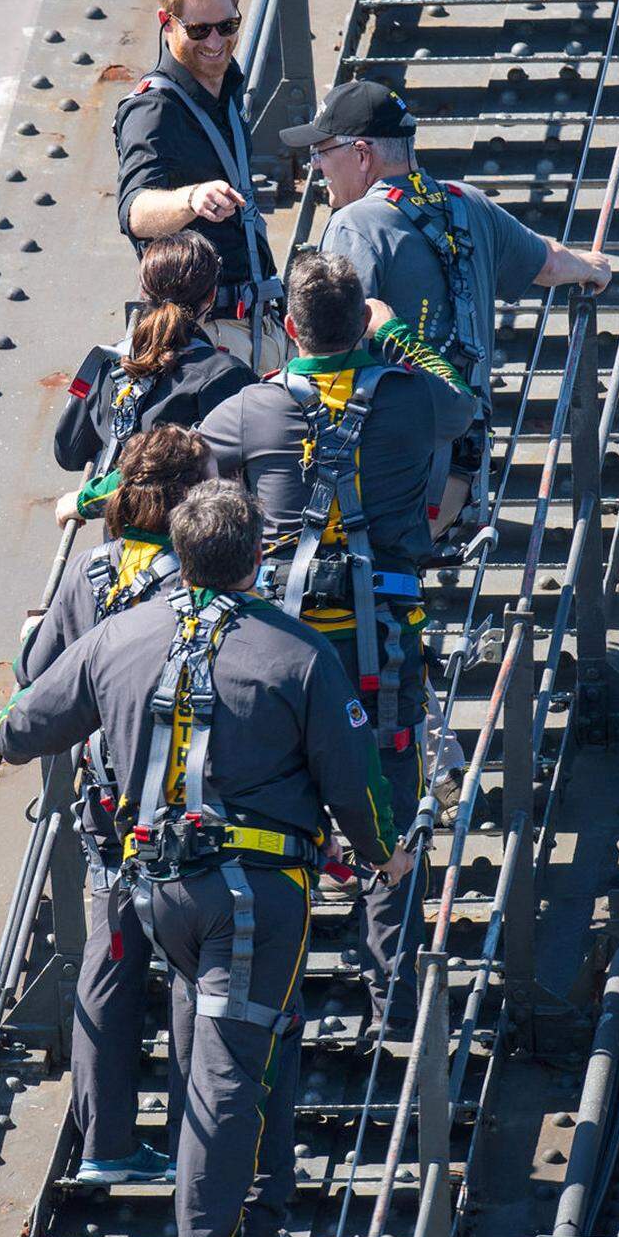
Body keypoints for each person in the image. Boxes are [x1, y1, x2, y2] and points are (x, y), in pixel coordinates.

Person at [0, 481, 412, 1237]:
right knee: (225, 1074)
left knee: (210, 1050)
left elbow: (22, 723)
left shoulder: (119, 635)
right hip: (251, 900)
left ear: (180, 552)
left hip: (151, 892)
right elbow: (355, 783)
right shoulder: (296, 654)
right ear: (258, 557)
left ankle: (231, 1225)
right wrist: (382, 857)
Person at [198, 251, 475, 1038]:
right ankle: (393, 1010)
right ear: (362, 321)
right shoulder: (415, 399)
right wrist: (395, 338)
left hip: (279, 654)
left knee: (277, 811)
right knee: (391, 809)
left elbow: (186, 462)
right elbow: (462, 397)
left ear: (289, 329)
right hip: (378, 651)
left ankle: (264, 1002)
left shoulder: (252, 410)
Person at [5, 428, 214, 1188]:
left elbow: (38, 675)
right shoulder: (192, 581)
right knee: (200, 970)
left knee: (113, 959)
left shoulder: (88, 572)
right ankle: (200, 1147)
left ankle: (108, 1141)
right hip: (184, 803)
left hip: (106, 802)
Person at [280, 80, 613, 531]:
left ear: (361, 154)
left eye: (322, 152)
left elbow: (333, 343)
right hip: (459, 466)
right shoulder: (466, 202)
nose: (316, 167)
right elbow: (550, 263)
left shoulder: (353, 225)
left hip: (382, 462)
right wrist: (591, 268)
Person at [115, 0, 287, 373]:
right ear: (167, 24)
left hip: (256, 325)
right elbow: (133, 211)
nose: (215, 42)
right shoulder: (153, 109)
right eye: (198, 30)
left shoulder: (226, 92)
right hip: (205, 337)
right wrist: (190, 199)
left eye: (227, 26)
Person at [51, 232, 252, 524]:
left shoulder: (108, 363)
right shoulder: (227, 376)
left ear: (144, 292)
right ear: (210, 298)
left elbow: (69, 451)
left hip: (124, 549)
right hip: (197, 545)